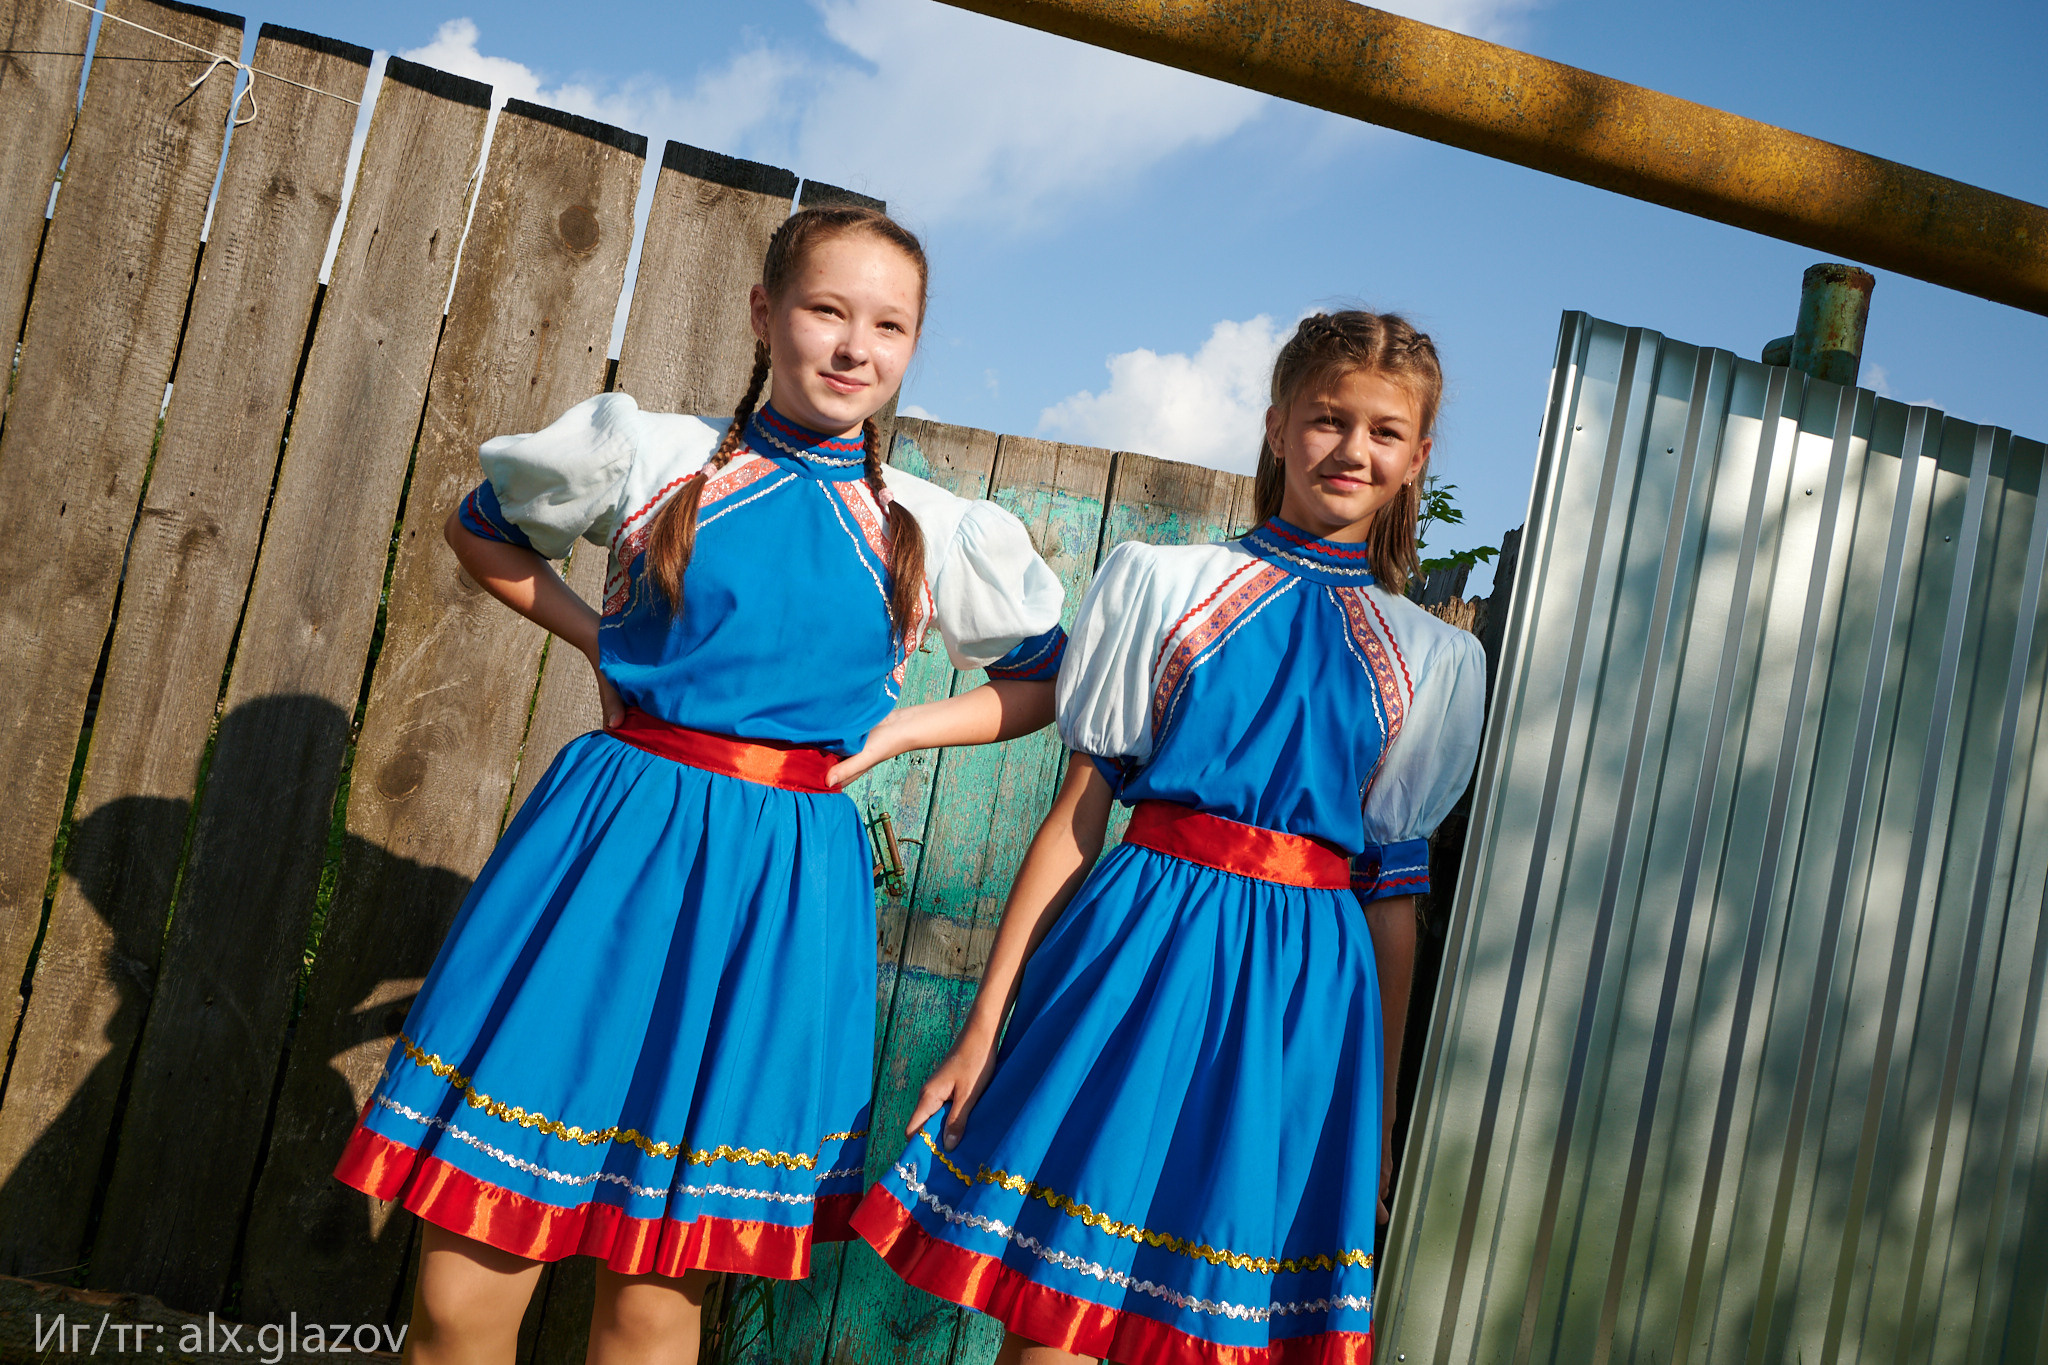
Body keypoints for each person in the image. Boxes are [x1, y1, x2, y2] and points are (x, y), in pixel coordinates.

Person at [332, 205, 1069, 1365]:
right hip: (609, 850)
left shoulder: (927, 525)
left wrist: (897, 734)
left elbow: (1043, 679)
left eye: (888, 326)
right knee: (466, 1283)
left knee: (653, 1303)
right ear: (764, 314)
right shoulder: (654, 456)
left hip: (780, 889)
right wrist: (597, 641)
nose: (853, 346)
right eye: (826, 310)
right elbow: (484, 532)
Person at [852, 311, 1487, 1365]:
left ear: (1417, 457)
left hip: (1301, 1001)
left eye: (1384, 432)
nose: (1352, 449)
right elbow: (1074, 820)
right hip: (1139, 958)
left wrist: (1371, 1116)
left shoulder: (1432, 658)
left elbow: (1393, 905)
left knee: (1208, 1327)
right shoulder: (1166, 585)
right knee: (1053, 1316)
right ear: (1278, 426)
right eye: (1327, 419)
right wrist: (983, 1025)